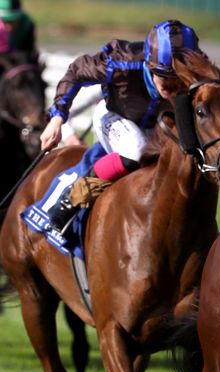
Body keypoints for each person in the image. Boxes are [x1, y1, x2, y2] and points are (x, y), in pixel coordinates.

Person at [38, 19, 202, 233]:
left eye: (180, 80)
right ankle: (71, 198)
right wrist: (57, 119)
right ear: (149, 65)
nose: (173, 87)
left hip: (156, 126)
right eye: (165, 78)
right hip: (114, 115)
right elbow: (77, 71)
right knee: (137, 149)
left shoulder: (198, 68)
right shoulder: (122, 61)